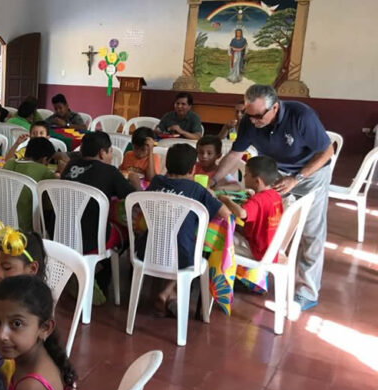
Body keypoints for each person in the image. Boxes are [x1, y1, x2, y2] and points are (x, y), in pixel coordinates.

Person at [209, 85, 334, 311]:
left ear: (274, 107)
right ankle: (258, 273)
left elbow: (327, 152)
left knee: (311, 230)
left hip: (310, 173)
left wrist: (297, 178)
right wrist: (214, 180)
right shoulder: (249, 120)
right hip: (276, 172)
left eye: (258, 116)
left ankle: (307, 290)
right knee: (266, 220)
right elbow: (235, 153)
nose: (253, 120)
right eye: (249, 114)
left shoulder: (301, 116)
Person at [140, 144, 231, 315]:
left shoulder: (157, 181)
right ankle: (168, 293)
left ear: (167, 165)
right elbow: (226, 215)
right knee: (187, 245)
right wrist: (213, 196)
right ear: (192, 169)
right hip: (180, 254)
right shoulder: (197, 189)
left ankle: (170, 295)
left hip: (147, 249)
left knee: (178, 243)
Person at [61, 131, 135, 253]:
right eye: (110, 152)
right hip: (92, 240)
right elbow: (132, 198)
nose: (111, 156)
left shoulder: (70, 165)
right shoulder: (110, 171)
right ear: (102, 153)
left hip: (62, 233)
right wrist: (135, 182)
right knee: (128, 229)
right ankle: (105, 269)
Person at [218, 156, 283, 261]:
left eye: (246, 174)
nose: (244, 176)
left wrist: (226, 200)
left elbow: (241, 213)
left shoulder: (257, 200)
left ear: (257, 181)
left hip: (257, 251)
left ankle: (222, 274)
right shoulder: (276, 196)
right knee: (234, 226)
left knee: (218, 237)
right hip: (270, 248)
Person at [3, 138, 56, 231]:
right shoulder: (44, 171)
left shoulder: (9, 163)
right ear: (44, 159)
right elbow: (50, 203)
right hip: (24, 229)